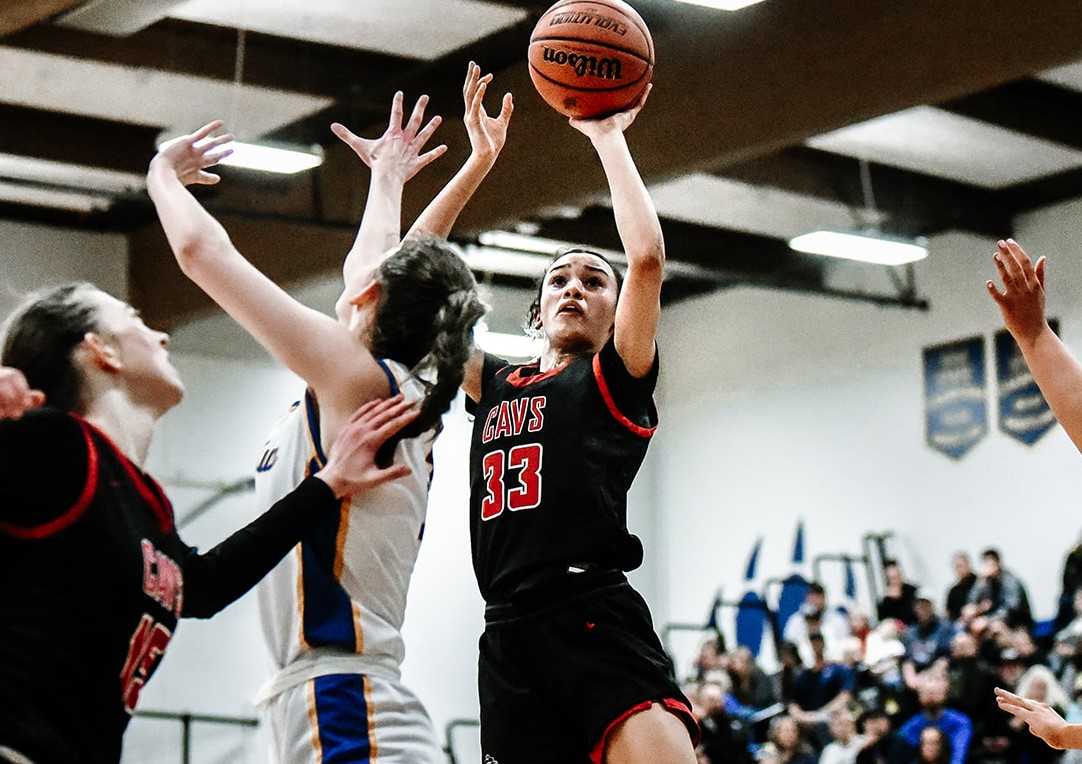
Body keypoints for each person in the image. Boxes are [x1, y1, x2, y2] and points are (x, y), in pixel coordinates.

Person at [146, 64, 505, 762]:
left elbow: (199, 250)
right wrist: (391, 178)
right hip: (336, 697)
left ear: (370, 299)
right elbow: (391, 265)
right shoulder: (378, 382)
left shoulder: (358, 379)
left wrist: (162, 172)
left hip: (346, 700)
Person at [0, 288, 418, 763]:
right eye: (134, 318)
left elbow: (203, 586)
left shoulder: (143, 499)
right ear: (102, 349)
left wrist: (326, 484)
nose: (159, 334)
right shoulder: (51, 444)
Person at [447, 82, 699, 763]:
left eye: (593, 281)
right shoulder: (493, 381)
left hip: (591, 611)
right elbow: (404, 287)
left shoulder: (612, 376)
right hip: (506, 634)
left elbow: (646, 257)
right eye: (558, 280)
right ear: (534, 313)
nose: (574, 288)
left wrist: (607, 136)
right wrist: (475, 164)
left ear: (618, 313)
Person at [878, 560, 918, 625]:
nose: (896, 581)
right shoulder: (885, 601)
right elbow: (883, 621)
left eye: (898, 576)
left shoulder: (913, 591)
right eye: (892, 578)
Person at [945, 553, 976, 623]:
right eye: (957, 567)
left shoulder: (980, 583)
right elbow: (949, 614)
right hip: (959, 625)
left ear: (968, 565)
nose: (959, 569)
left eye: (961, 566)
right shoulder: (953, 591)